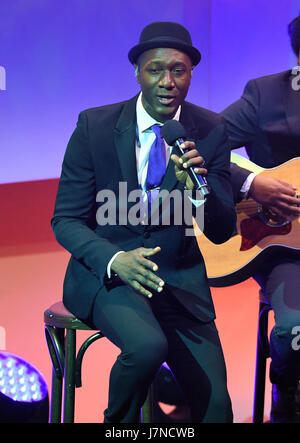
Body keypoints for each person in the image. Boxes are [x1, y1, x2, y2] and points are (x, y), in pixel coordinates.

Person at [51, 21, 236, 423]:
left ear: (190, 75)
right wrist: (116, 258)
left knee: (218, 410)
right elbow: (65, 219)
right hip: (109, 277)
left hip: (179, 283)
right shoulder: (95, 127)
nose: (167, 82)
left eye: (178, 70)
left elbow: (221, 232)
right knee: (147, 347)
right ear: (137, 72)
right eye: (156, 69)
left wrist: (196, 190)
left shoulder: (211, 130)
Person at [222, 14, 300, 423]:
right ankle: (287, 394)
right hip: (284, 247)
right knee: (295, 333)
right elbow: (198, 145)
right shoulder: (266, 94)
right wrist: (253, 183)